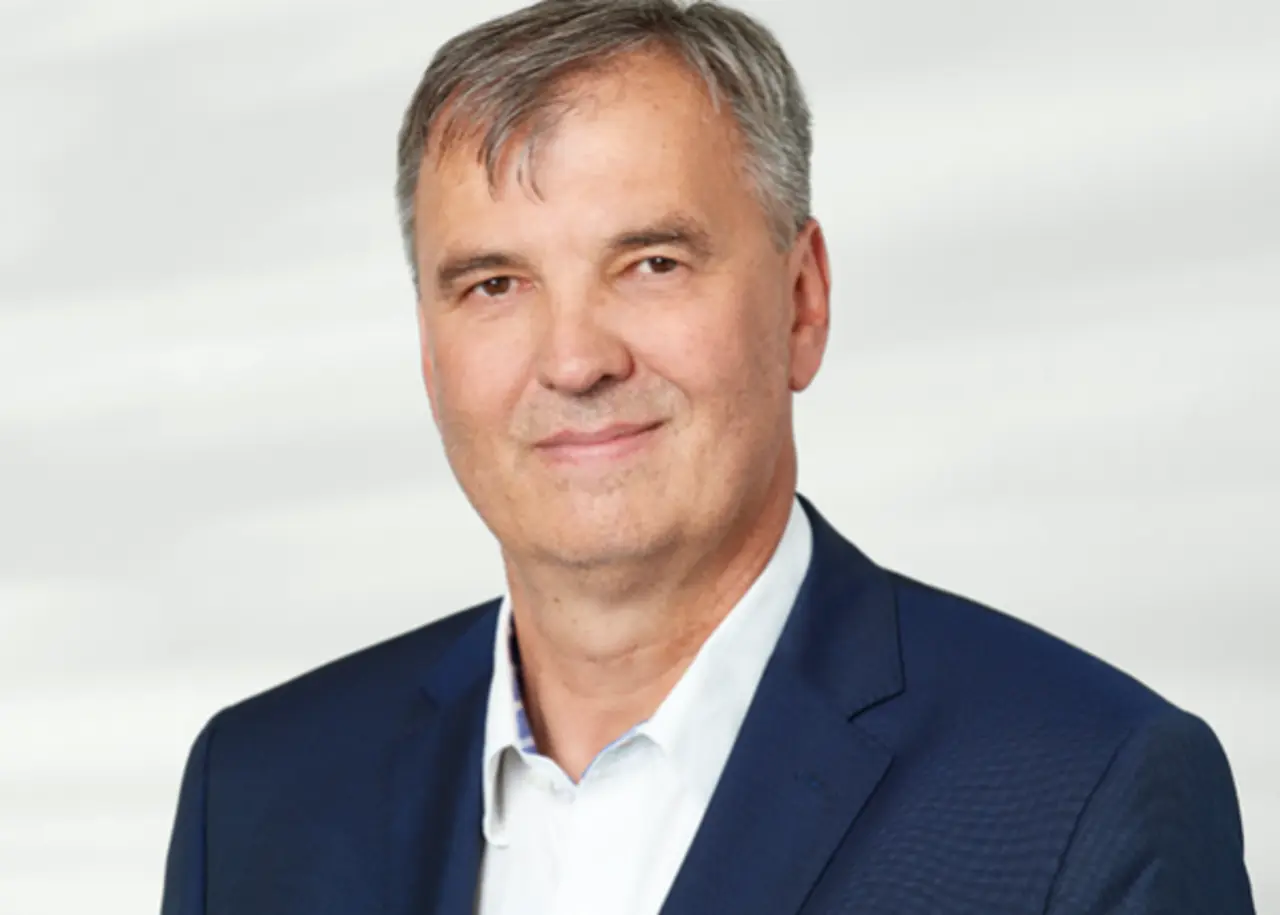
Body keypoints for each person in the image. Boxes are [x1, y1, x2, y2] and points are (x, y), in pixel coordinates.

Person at [160, 1, 1256, 912]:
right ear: (428, 352)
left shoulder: (1083, 795)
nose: (575, 360)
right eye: (494, 284)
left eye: (651, 263)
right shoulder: (256, 795)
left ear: (801, 301)